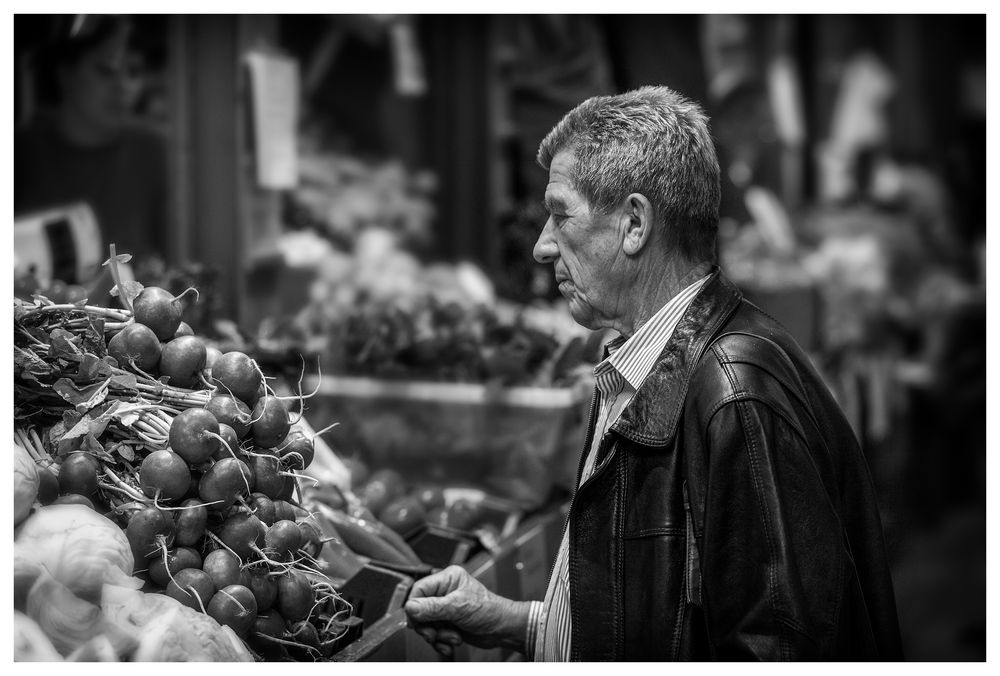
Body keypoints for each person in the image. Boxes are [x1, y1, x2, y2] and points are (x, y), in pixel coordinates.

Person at [404, 86, 903, 661]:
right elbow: (661, 625)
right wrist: (519, 624)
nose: (542, 246)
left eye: (561, 215)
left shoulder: (735, 394)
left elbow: (775, 653)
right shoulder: (639, 365)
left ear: (634, 224)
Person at [15, 15, 168, 264]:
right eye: (106, 70)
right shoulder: (20, 152)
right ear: (65, 72)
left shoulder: (156, 150)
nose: (123, 86)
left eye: (134, 71)